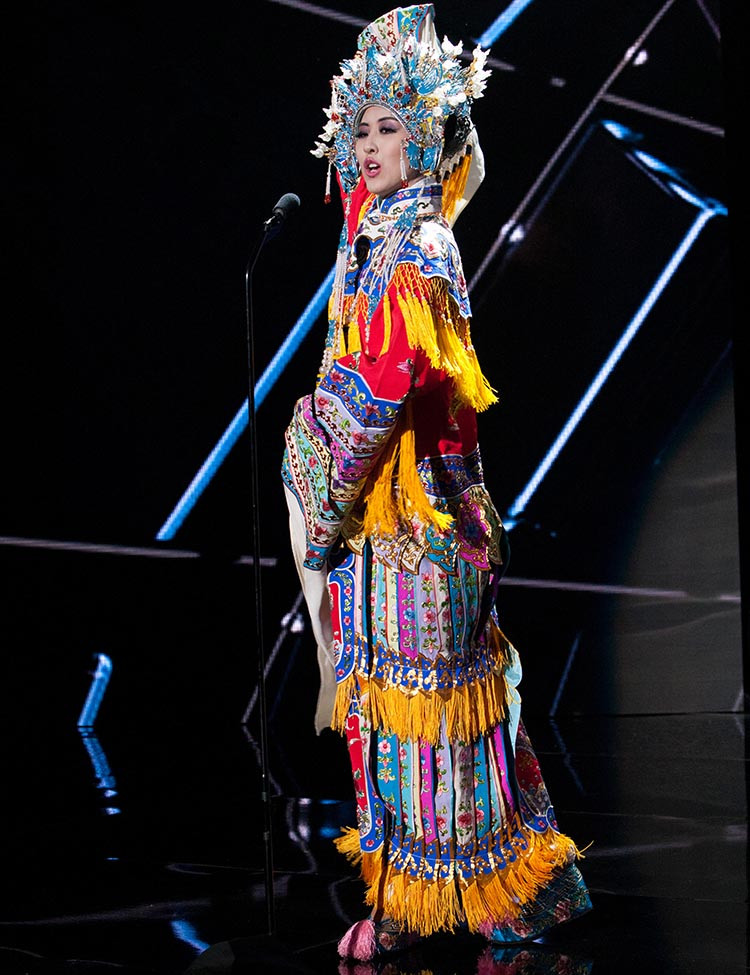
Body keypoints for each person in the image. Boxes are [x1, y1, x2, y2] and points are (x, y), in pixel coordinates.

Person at [281, 4, 592, 962]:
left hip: (424, 525)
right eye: (361, 129)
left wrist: (311, 469)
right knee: (392, 721)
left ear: (424, 139)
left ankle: (489, 899)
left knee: (441, 723)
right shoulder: (372, 238)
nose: (370, 147)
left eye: (389, 128)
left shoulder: (421, 246)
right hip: (382, 531)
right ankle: (421, 901)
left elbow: (384, 387)